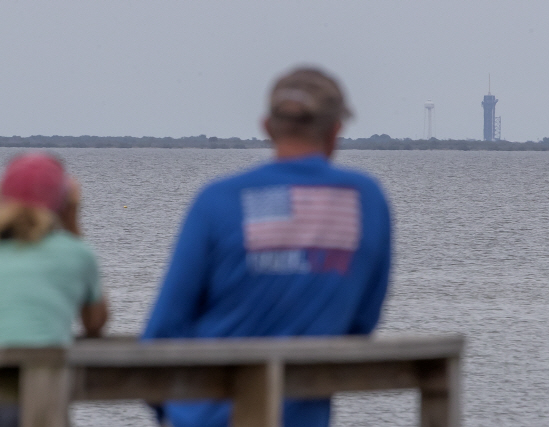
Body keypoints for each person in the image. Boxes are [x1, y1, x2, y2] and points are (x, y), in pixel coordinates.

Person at [141, 67, 392, 427]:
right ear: (335, 130)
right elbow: (361, 323)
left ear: (267, 127)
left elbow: (163, 330)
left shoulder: (218, 201)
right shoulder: (366, 201)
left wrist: (169, 409)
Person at [0, 153, 108, 427]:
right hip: (36, 406)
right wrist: (73, 221)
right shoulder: (75, 253)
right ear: (62, 201)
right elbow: (95, 323)